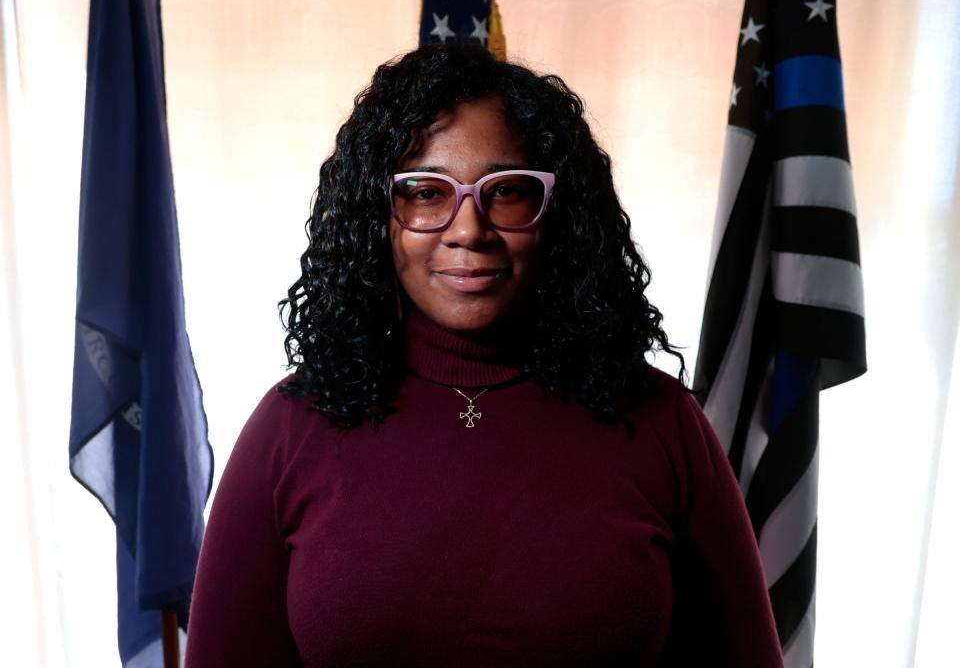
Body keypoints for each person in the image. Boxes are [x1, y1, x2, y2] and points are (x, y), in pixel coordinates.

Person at [185, 43, 783, 667]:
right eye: (425, 192)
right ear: (376, 217)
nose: (468, 229)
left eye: (507, 192)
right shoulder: (290, 429)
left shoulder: (661, 422)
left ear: (559, 214)